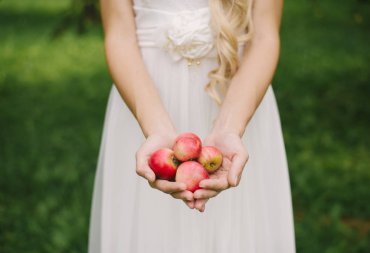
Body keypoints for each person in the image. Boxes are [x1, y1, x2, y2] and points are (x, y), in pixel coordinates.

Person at [88, 0, 296, 252]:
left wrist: (231, 127)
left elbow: (264, 36)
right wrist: (155, 128)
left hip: (239, 97)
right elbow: (120, 35)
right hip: (143, 98)